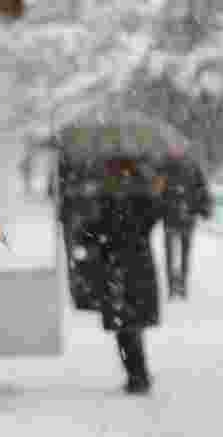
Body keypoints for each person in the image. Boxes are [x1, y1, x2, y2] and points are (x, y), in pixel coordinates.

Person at [57, 154, 164, 395]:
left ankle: (137, 375)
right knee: (131, 322)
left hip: (116, 265)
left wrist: (84, 233)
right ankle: (138, 373)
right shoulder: (141, 195)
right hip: (138, 265)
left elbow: (96, 230)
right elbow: (153, 217)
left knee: (124, 323)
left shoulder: (110, 197)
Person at [160, 144, 213, 299]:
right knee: (171, 253)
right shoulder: (165, 167)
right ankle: (172, 285)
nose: (176, 150)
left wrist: (205, 207)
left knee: (183, 252)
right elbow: (157, 191)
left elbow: (202, 189)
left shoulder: (190, 167)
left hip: (185, 216)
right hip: (172, 217)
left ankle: (181, 283)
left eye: (178, 148)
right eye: (174, 148)